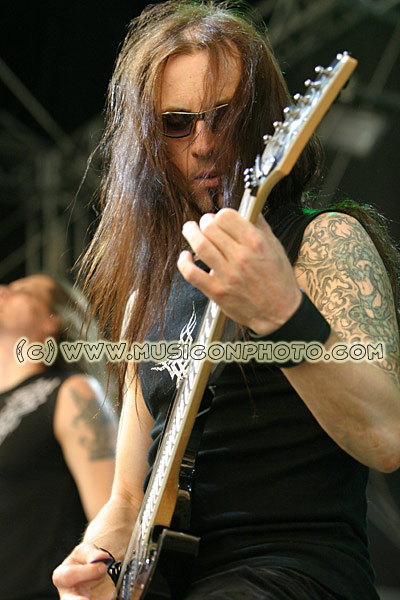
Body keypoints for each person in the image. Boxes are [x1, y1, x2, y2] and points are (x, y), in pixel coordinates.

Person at [53, 1, 400, 599]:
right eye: (176, 123)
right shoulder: (147, 295)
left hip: (295, 571)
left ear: (265, 120)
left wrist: (282, 314)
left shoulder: (324, 240)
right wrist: (96, 562)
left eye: (224, 115)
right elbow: (128, 498)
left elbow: (386, 437)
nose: (204, 143)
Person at [0, 273, 118, 599]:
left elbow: (113, 520)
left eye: (24, 290)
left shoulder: (73, 393)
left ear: (53, 320)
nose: (4, 290)